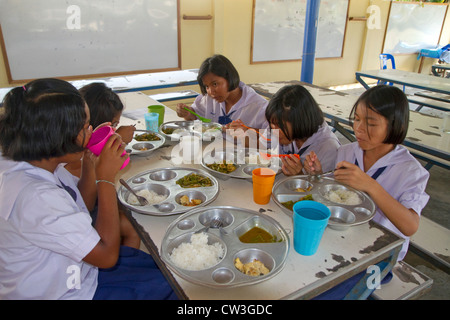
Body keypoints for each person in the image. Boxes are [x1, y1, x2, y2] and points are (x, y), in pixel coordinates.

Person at [0, 78, 176, 300]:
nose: (91, 130)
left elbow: (82, 203)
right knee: (170, 287)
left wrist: (90, 163)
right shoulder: (35, 196)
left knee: (164, 268)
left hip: (78, 268)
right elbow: (107, 256)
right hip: (70, 291)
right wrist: (105, 179)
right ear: (56, 136)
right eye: (84, 127)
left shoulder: (35, 160)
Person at [305, 85, 430, 263]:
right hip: (342, 235)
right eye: (356, 119)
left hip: (379, 252)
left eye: (371, 123)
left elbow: (410, 226)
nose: (359, 129)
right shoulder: (346, 152)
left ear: (396, 125)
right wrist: (318, 176)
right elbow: (334, 194)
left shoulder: (411, 171)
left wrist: (370, 186)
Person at [65, 82, 140, 249]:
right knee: (133, 226)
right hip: (84, 222)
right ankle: (128, 268)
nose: (114, 129)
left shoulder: (81, 153)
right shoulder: (75, 157)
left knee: (127, 214)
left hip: (84, 213)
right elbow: (87, 205)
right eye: (113, 125)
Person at [176, 54, 269, 132]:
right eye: (207, 86)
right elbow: (195, 115)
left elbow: (274, 138)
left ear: (229, 78)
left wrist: (247, 131)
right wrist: (187, 113)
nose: (211, 91)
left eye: (215, 84)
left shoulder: (259, 106)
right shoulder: (209, 99)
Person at [264, 84, 340, 176]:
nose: (274, 130)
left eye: (279, 125)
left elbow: (323, 188)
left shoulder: (328, 149)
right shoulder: (286, 134)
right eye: (272, 124)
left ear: (299, 121)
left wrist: (298, 175)